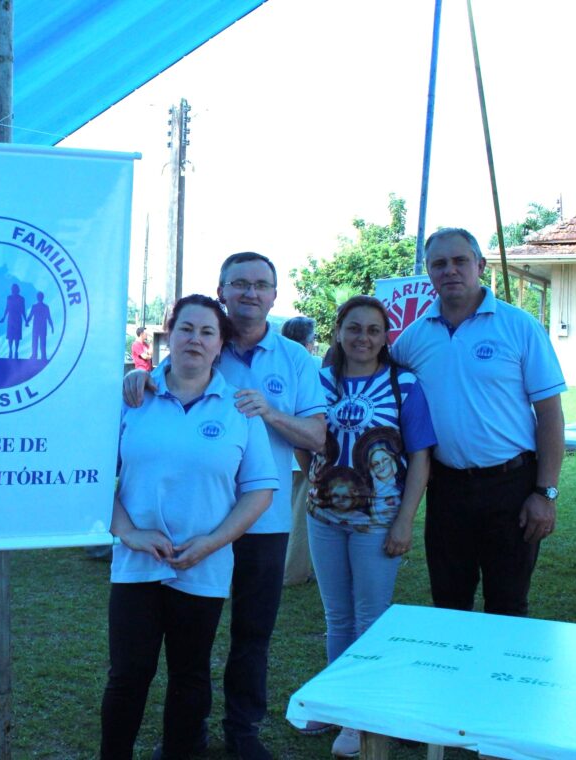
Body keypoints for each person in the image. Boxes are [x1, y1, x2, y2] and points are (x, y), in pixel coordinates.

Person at [125, 253, 326, 760]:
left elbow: (318, 436)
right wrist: (136, 380)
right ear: (222, 291)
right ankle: (186, 735)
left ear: (274, 295)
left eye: (260, 284)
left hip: (263, 518)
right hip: (198, 520)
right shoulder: (205, 340)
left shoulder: (295, 359)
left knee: (252, 632)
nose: (250, 293)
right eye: (239, 283)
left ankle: (243, 730)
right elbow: (158, 387)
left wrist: (270, 413)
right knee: (188, 638)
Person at [102, 295, 278, 760]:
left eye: (206, 332)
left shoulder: (239, 409)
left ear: (220, 345)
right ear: (170, 334)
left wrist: (212, 543)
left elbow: (260, 490)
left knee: (190, 675)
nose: (195, 340)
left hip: (203, 566)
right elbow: (94, 479)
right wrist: (129, 533)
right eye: (186, 328)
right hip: (137, 565)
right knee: (128, 675)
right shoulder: (133, 398)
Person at [391, 228, 566, 617]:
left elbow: (550, 415)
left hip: (512, 486)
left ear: (480, 265)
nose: (450, 270)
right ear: (428, 271)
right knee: (449, 604)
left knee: (508, 604)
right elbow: (376, 381)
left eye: (460, 261)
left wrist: (545, 493)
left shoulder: (519, 327)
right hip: (446, 489)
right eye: (439, 263)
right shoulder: (413, 339)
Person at [303, 296, 435, 757]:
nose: (363, 337)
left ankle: (360, 718)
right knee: (337, 617)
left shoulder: (404, 384)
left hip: (378, 522)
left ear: (385, 337)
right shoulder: (318, 381)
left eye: (374, 330)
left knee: (370, 618)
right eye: (354, 328)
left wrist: (404, 521)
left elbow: (420, 458)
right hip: (323, 517)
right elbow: (306, 444)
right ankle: (337, 701)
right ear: (339, 332)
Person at [280, 316, 319, 587]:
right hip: (303, 450)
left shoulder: (276, 362)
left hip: (280, 452)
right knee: (300, 517)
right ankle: (293, 572)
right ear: (308, 342)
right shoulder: (313, 363)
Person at [0, 284, 26, 359]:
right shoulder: (9, 298)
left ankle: (16, 351)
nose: (13, 290)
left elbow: (23, 310)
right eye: (13, 289)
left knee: (17, 336)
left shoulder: (21, 299)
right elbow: (7, 308)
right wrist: (4, 317)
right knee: (10, 336)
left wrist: (25, 320)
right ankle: (11, 350)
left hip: (17, 318)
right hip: (11, 318)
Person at [26, 291, 54, 361]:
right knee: (38, 342)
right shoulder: (42, 307)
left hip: (40, 327)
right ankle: (36, 355)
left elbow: (48, 317)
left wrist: (52, 326)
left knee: (40, 342)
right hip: (39, 327)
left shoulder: (42, 307)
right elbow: (31, 315)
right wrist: (27, 321)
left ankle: (40, 356)